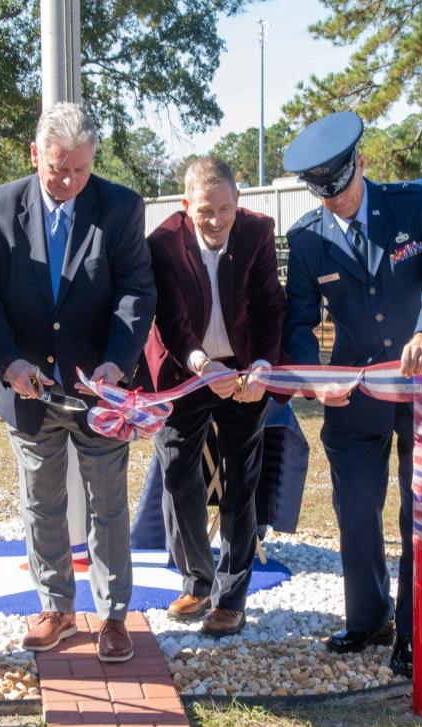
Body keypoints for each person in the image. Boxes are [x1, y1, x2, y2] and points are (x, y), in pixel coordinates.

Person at [280, 112, 422, 677]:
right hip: (357, 389)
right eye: (323, 194)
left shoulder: (412, 206)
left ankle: (418, 630)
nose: (336, 201)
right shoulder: (305, 240)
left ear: (362, 166)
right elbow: (299, 321)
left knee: (421, 510)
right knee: (354, 507)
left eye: (342, 187)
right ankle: (368, 617)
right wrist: (314, 377)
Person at [0, 102, 155, 661]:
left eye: (80, 170)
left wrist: (117, 364)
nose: (69, 181)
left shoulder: (121, 207)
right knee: (41, 503)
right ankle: (57, 608)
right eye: (57, 169)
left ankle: (114, 615)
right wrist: (9, 362)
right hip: (29, 390)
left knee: (107, 504)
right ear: (35, 155)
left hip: (100, 390)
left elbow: (136, 293)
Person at [139, 156, 286, 637]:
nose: (216, 220)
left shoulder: (258, 233)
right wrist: (202, 366)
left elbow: (268, 305)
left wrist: (262, 366)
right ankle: (196, 580)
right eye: (205, 210)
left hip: (245, 373)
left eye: (225, 208)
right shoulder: (162, 243)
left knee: (240, 480)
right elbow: (172, 320)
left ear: (238, 202)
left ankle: (230, 596)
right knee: (179, 473)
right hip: (186, 372)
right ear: (186, 206)